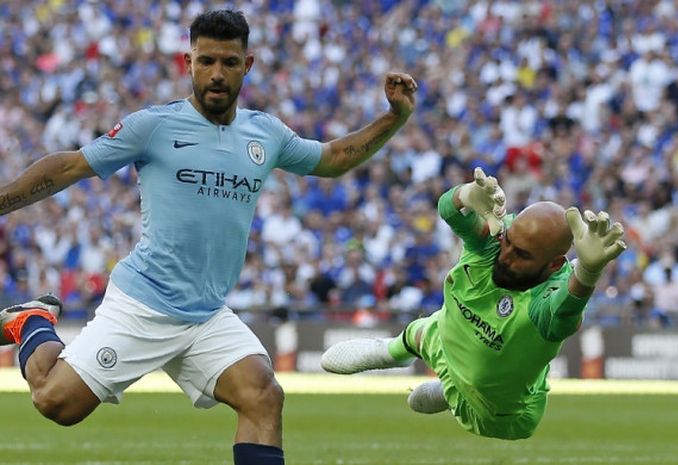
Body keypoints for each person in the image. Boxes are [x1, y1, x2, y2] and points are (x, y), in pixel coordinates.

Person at [0, 10, 417, 465]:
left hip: (206, 314)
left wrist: (393, 117)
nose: (217, 74)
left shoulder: (266, 133)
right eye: (207, 61)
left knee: (263, 395)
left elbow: (335, 158)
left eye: (230, 63)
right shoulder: (153, 126)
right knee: (55, 403)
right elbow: (69, 165)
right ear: (188, 62)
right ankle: (32, 321)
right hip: (144, 304)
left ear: (248, 64)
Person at [322, 167, 626, 440]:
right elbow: (450, 212)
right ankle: (392, 351)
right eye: (509, 242)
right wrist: (466, 194)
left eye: (522, 255)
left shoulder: (545, 303)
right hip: (447, 336)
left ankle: (452, 392)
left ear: (553, 265)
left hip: (498, 411)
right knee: (428, 328)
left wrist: (588, 271)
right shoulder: (497, 237)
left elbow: (566, 312)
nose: (505, 256)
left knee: (466, 352)